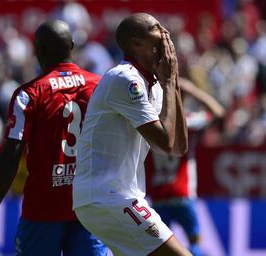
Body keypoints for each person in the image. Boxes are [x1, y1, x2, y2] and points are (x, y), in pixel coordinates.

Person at [0, 20, 108, 256]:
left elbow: (10, 156)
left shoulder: (29, 94)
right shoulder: (100, 86)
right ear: (72, 46)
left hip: (43, 209)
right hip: (90, 207)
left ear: (39, 51)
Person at [72, 13, 191, 256]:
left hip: (119, 195)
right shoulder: (125, 79)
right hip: (107, 197)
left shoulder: (155, 85)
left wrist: (173, 84)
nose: (166, 37)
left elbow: (179, 147)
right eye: (157, 30)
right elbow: (165, 144)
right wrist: (169, 83)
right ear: (136, 42)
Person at [146, 77, 225, 256]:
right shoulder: (187, 122)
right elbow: (218, 113)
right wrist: (191, 90)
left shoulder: (148, 124)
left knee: (158, 249)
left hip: (158, 196)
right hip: (182, 194)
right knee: (194, 244)